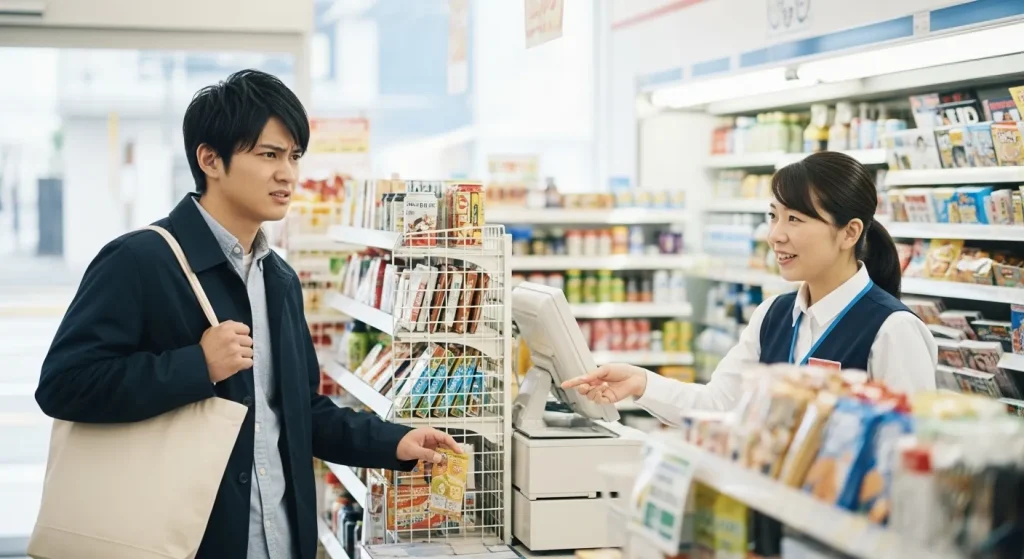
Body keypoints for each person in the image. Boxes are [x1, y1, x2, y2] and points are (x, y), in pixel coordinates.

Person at [35, 69, 459, 559]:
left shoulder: (278, 279)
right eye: (268, 155)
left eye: (294, 156)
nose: (288, 174)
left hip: (279, 540)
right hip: (180, 542)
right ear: (210, 159)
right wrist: (197, 366)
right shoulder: (139, 260)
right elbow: (64, 385)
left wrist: (395, 442)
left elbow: (299, 413)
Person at [562, 151, 937, 425]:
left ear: (849, 232)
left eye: (795, 219)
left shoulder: (892, 329)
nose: (775, 235)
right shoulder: (774, 314)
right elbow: (720, 404)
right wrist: (641, 382)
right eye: (773, 216)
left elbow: (912, 450)